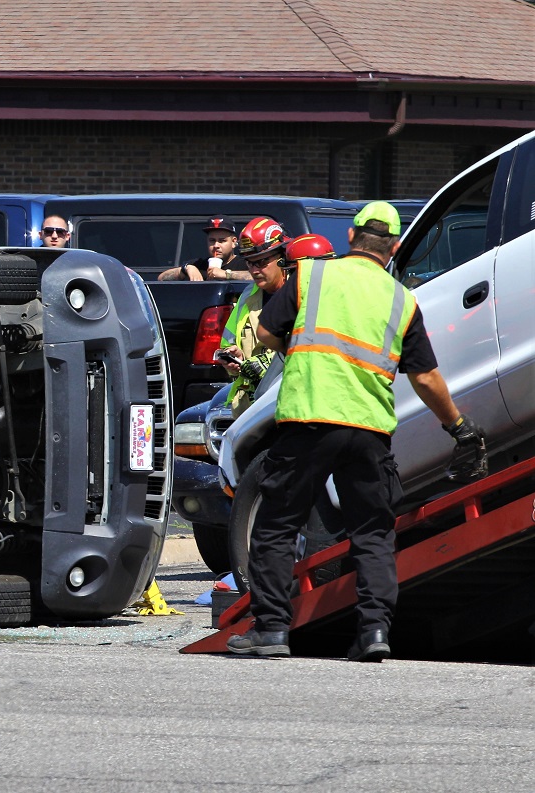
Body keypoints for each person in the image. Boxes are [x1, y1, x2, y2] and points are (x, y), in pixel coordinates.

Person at [227, 201, 486, 663]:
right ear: (396, 247)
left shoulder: (311, 276)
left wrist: (301, 345)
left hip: (308, 419)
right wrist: (459, 427)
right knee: (373, 532)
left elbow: (266, 333)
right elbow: (426, 379)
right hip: (367, 429)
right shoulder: (402, 300)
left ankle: (270, 631)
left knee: (277, 525)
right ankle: (373, 634)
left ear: (350, 238)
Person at [216, 217, 291, 417]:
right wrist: (234, 359)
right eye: (250, 263)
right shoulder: (248, 297)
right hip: (250, 410)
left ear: (282, 257)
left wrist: (269, 363)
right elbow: (228, 342)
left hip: (288, 404)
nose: (255, 270)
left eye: (262, 262)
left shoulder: (302, 293)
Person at [157, 217, 251, 281]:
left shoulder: (245, 263)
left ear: (234, 242)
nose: (216, 245)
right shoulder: (200, 264)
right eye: (212, 240)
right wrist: (186, 268)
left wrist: (226, 274)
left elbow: (258, 277)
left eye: (222, 241)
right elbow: (161, 278)